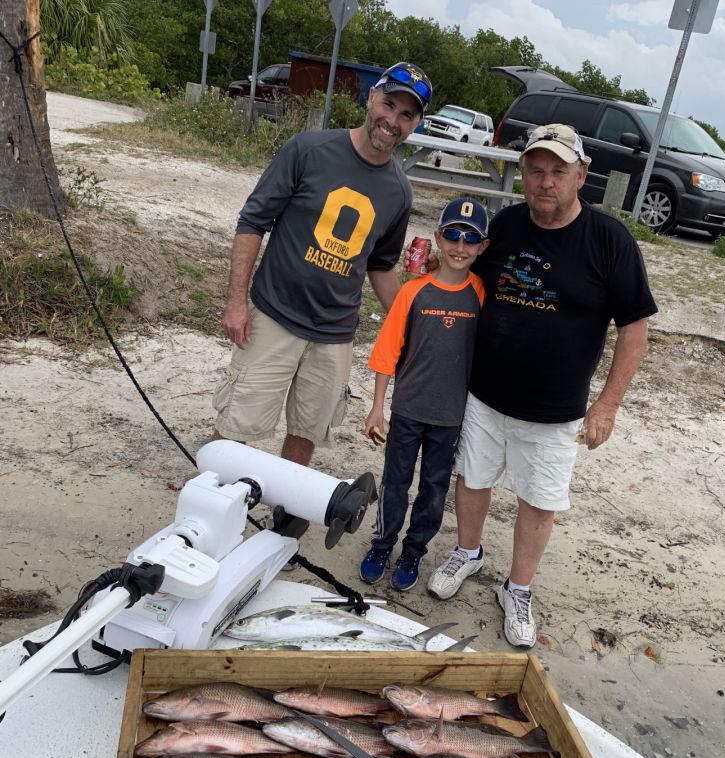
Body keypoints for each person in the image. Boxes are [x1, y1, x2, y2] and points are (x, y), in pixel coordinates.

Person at [427, 124, 658, 648]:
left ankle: (518, 588)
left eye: (558, 170)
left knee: (539, 499)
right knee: (473, 478)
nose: (545, 182)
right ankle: (467, 551)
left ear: (581, 175)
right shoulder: (505, 225)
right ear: (523, 175)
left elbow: (635, 328)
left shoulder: (610, 240)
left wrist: (608, 405)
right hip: (484, 393)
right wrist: (430, 265)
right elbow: (462, 278)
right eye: (535, 170)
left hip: (556, 409)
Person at [212, 62, 432, 466]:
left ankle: (282, 504)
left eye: (406, 115)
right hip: (274, 316)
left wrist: (412, 326)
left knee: (306, 436)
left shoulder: (400, 192)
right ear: (371, 98)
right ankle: (208, 498)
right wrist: (236, 302)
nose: (393, 121)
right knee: (235, 427)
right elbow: (253, 221)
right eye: (388, 105)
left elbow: (381, 266)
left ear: (416, 124)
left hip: (335, 334)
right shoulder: (308, 149)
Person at [359, 198, 489, 592]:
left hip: (450, 416)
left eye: (470, 239)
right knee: (395, 482)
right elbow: (387, 351)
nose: (460, 246)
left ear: (482, 246)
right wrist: (377, 408)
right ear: (438, 238)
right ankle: (382, 544)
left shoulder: (481, 293)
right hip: (408, 409)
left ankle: (414, 551)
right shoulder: (413, 291)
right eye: (452, 235)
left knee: (434, 489)